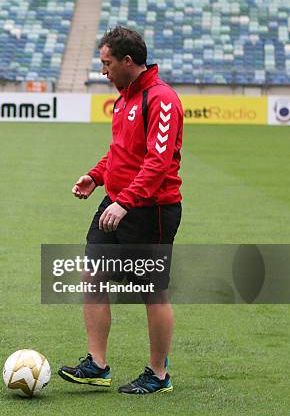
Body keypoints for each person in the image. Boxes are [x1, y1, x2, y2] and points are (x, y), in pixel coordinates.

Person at [58, 26, 183, 394]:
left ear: (129, 61)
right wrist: (96, 177)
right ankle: (97, 364)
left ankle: (158, 374)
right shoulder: (124, 99)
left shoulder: (161, 99)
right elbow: (120, 152)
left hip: (150, 209)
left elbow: (157, 162)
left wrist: (126, 201)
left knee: (152, 292)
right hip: (115, 202)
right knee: (92, 275)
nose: (103, 71)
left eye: (107, 63)